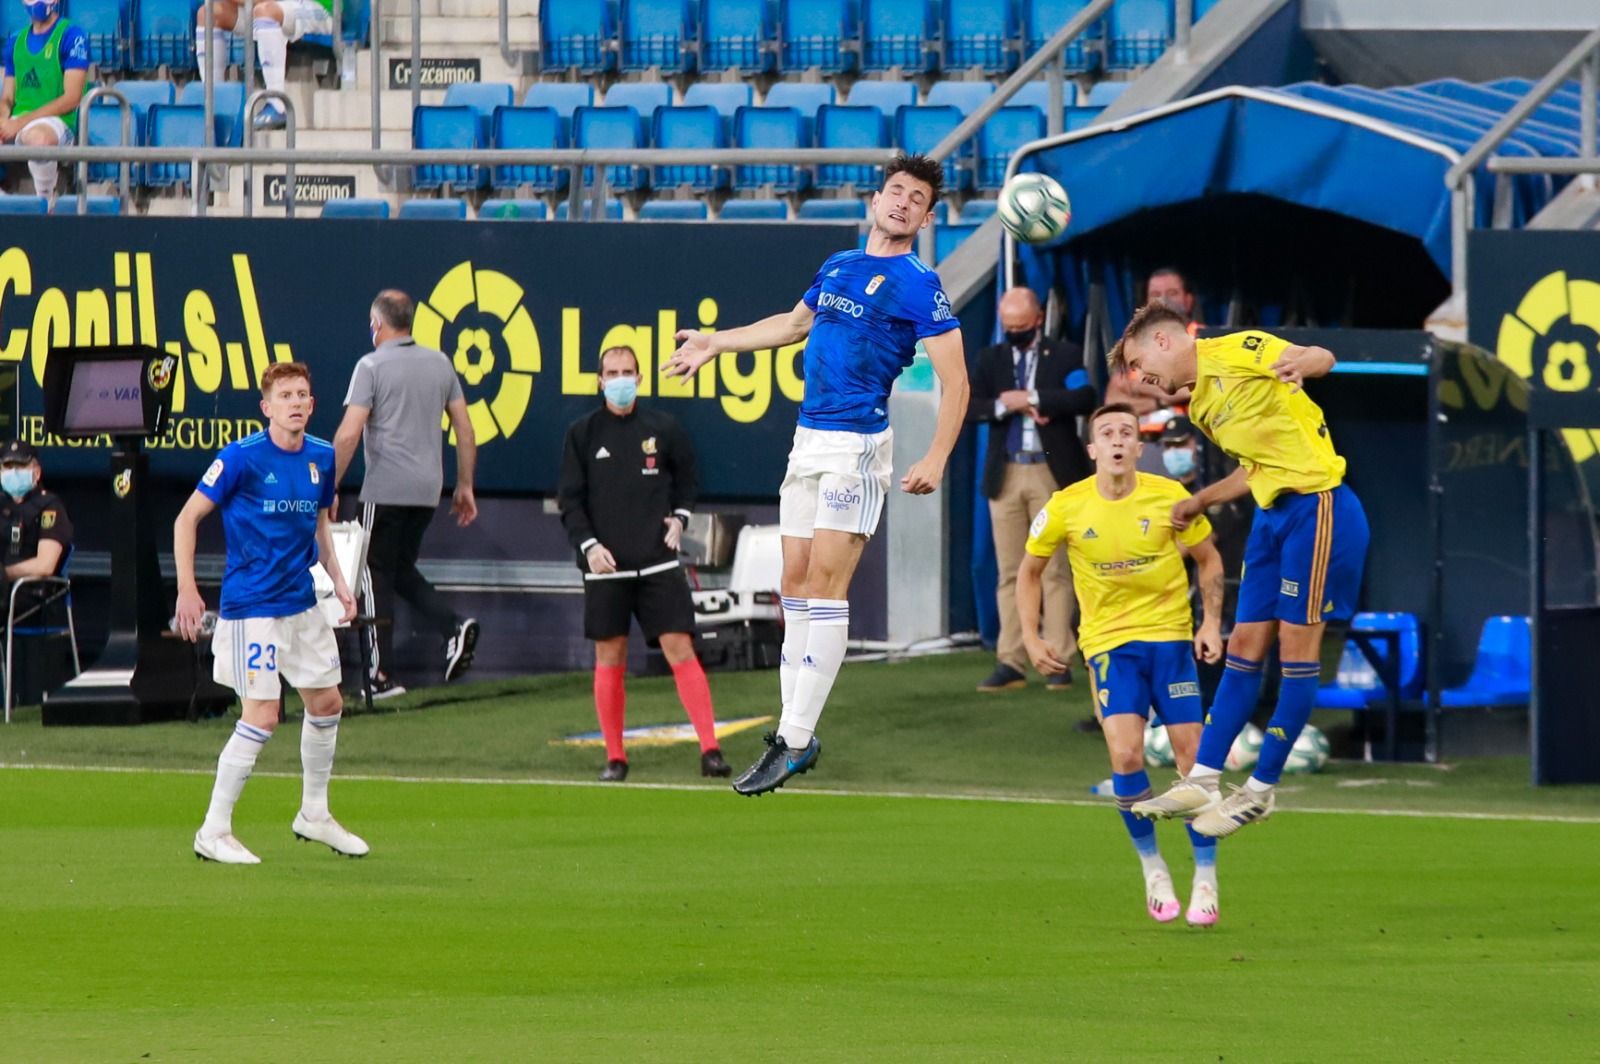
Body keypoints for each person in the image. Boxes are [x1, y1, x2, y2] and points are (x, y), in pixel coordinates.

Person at [665, 152, 969, 796]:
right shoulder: (839, 265)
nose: (903, 203)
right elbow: (794, 325)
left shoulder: (920, 283)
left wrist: (937, 454)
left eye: (917, 198)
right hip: (808, 441)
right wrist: (716, 342)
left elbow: (957, 381)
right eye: (896, 191)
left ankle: (795, 738)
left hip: (857, 446)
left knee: (828, 588)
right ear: (875, 199)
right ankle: (791, 732)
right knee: (793, 583)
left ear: (926, 215)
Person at [1115, 304, 1370, 837]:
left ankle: (1259, 791)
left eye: (1141, 364)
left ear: (1163, 342)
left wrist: (1304, 363)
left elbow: (1321, 356)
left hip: (1317, 506)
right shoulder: (1201, 407)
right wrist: (1201, 499)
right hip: (1271, 516)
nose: (1144, 379)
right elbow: (1253, 469)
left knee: (1295, 650)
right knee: (1244, 646)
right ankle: (1203, 779)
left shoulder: (1238, 350)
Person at [1017, 403, 1226, 924]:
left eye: (1126, 433)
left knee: (1191, 760)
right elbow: (1029, 571)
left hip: (1172, 642)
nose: (1116, 440)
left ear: (1138, 448)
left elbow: (1210, 559)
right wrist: (1032, 633)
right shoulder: (1067, 506)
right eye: (1106, 433)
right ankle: (1153, 867)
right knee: (1128, 757)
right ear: (1092, 449)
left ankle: (1206, 875)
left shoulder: (1171, 496)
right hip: (1111, 645)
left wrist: (1209, 622)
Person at [175, 362, 365, 865]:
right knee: (264, 713)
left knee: (327, 703)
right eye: (286, 396)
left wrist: (340, 583)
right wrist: (188, 589)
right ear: (267, 407)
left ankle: (315, 814)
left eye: (303, 394)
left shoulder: (322, 458)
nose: (296, 403)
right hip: (252, 609)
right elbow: (186, 518)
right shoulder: (241, 459)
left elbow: (321, 526)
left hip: (301, 603)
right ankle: (213, 830)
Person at [558, 345, 731, 782]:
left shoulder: (664, 428)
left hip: (657, 564)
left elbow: (689, 481)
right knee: (609, 657)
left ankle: (710, 750)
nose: (619, 379)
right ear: (599, 381)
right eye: (611, 372)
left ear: (639, 378)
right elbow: (570, 503)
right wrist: (590, 547)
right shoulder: (582, 433)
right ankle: (615, 758)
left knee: (681, 650)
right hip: (606, 569)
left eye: (627, 372)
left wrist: (682, 519)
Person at [333, 289, 480, 699]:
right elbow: (465, 430)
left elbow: (349, 432)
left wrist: (328, 486)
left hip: (384, 488)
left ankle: (380, 678)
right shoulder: (440, 363)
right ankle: (453, 626)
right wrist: (464, 485)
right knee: (397, 572)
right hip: (427, 491)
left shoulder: (371, 365)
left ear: (376, 325)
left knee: (372, 573)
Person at [966, 286, 1096, 694]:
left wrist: (1035, 397)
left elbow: (1084, 396)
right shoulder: (992, 358)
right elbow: (970, 406)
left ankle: (1057, 658)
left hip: (1051, 473)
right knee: (1010, 571)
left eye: (1021, 327)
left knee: (1055, 570)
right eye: (1008, 327)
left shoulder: (1065, 355)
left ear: (1038, 319)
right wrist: (1007, 404)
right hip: (1006, 473)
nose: (1014, 333)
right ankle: (1012, 660)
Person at [0, 0, 88, 206]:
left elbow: (72, 98)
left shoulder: (72, 36)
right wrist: (3, 116)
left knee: (39, 139)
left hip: (58, 121)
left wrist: (18, 123)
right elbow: (8, 96)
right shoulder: (15, 40)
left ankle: (45, 200)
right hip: (19, 119)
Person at [1105, 267, 1201, 457]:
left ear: (1189, 300)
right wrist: (1160, 399)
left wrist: (1137, 386)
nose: (1163, 300)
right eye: (1155, 294)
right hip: (1144, 445)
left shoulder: (1202, 338)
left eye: (1172, 293)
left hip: (1186, 442)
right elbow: (1113, 402)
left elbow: (1193, 386)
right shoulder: (1136, 343)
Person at [195, 0, 333, 130]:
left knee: (266, 11)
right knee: (207, 14)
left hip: (319, 8)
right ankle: (215, 105)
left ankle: (277, 105)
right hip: (268, 6)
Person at [0, 439, 74, 618]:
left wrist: (4, 574)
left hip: (28, 592)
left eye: (20, 467)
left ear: (37, 472)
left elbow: (45, 565)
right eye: (8, 467)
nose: (14, 472)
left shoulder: (49, 506)